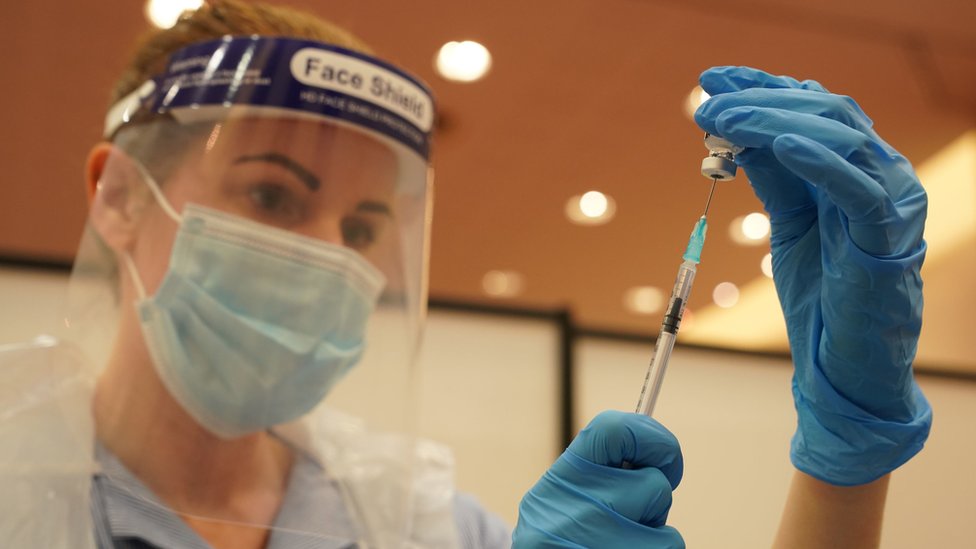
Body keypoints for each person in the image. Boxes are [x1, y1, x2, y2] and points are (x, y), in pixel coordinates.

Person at [0, 1, 930, 548]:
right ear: (119, 194)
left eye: (365, 223)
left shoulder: (418, 524)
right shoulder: (18, 490)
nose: (331, 253)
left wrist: (844, 460)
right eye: (275, 199)